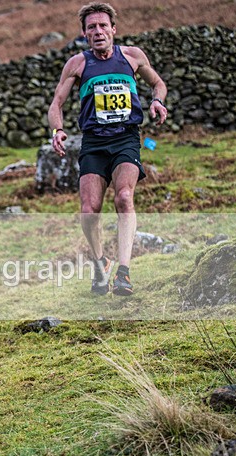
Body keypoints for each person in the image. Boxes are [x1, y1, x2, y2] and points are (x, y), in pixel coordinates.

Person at [48, 2, 167, 296]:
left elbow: (158, 83)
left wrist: (157, 101)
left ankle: (123, 273)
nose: (98, 31)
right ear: (84, 34)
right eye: (92, 27)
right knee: (89, 210)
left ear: (114, 29)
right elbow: (56, 104)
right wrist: (57, 130)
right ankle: (101, 262)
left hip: (126, 138)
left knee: (124, 197)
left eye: (103, 25)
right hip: (94, 142)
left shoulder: (132, 56)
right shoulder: (78, 64)